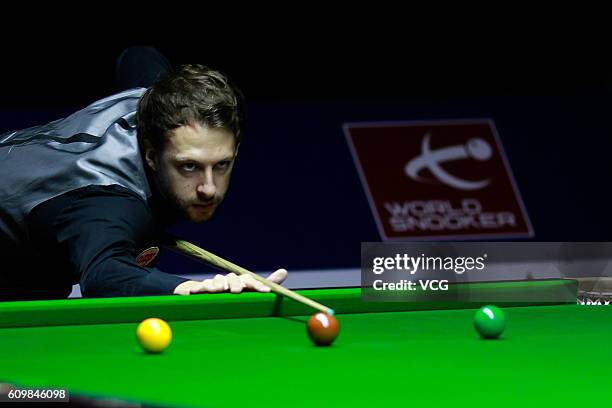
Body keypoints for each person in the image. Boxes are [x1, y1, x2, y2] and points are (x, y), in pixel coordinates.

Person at [0, 47, 287, 300]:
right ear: (151, 155)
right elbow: (104, 274)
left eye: (221, 164)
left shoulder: (157, 99)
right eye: (189, 166)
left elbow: (139, 55)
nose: (209, 188)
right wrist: (187, 288)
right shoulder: (106, 199)